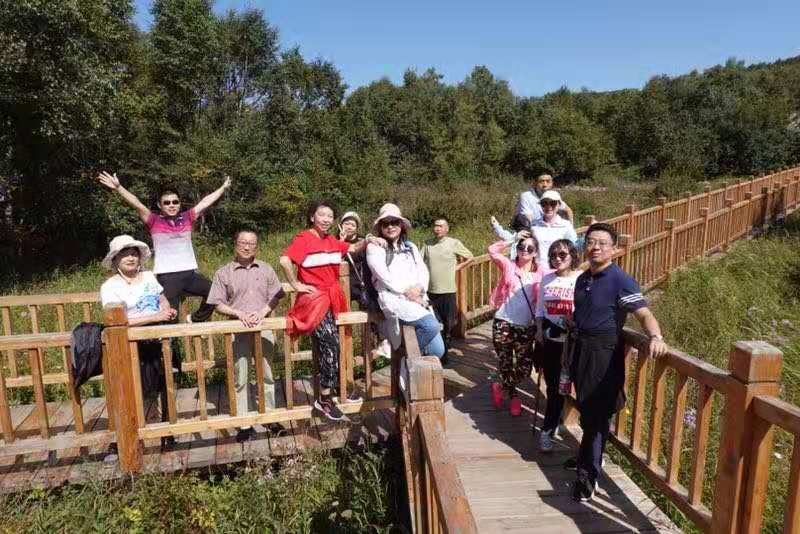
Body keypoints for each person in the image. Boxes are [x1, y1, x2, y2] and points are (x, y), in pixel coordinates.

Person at [569, 223, 667, 502]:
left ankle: (588, 476)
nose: (595, 247)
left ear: (613, 248)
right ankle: (587, 457)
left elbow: (643, 313)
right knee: (586, 408)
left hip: (604, 353)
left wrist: (656, 336)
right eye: (591, 242)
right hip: (581, 349)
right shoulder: (582, 278)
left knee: (597, 413)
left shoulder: (620, 280)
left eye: (602, 243)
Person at [279, 200, 382, 421]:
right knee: (331, 343)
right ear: (312, 217)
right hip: (315, 302)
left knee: (333, 344)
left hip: (332, 298)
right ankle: (324, 398)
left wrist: (369, 239)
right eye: (322, 215)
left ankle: (333, 390)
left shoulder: (331, 241)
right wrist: (296, 285)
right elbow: (285, 260)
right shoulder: (303, 239)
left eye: (330, 216)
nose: (326, 219)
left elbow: (352, 248)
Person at [97, 171, 231, 323]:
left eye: (175, 202)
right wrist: (118, 187)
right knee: (170, 319)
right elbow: (137, 203)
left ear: (179, 204)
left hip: (190, 274)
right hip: (167, 277)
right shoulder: (154, 221)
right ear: (160, 205)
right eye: (167, 203)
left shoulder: (187, 218)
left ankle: (195, 319)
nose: (171, 205)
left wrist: (223, 187)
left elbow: (205, 202)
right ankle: (168, 338)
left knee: (215, 292)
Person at [206, 230, 285, 442]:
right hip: (237, 329)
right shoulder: (223, 273)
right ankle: (244, 423)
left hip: (263, 327)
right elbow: (217, 303)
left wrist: (262, 312)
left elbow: (276, 296)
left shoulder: (266, 269)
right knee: (240, 376)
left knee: (266, 373)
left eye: (251, 243)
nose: (247, 246)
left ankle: (269, 416)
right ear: (235, 244)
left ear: (256, 246)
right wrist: (238, 313)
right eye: (243, 242)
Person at [99, 235, 176, 447]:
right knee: (132, 390)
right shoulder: (110, 286)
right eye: (125, 254)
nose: (131, 258)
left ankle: (166, 433)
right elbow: (117, 321)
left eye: (134, 254)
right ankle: (129, 438)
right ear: (115, 260)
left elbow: (161, 299)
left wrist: (167, 310)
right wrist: (155, 317)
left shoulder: (149, 277)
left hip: (157, 340)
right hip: (129, 344)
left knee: (163, 385)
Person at [367, 204, 445, 360]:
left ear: (401, 225)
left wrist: (420, 288)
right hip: (395, 300)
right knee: (430, 326)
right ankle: (403, 359)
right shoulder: (374, 248)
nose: (390, 227)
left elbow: (423, 270)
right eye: (385, 223)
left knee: (437, 350)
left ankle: (407, 359)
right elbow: (384, 276)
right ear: (380, 227)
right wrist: (407, 292)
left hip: (418, 299)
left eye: (394, 222)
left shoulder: (410, 247)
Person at [487, 234, 545, 416]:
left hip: (526, 325)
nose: (525, 250)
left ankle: (500, 385)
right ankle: (513, 397)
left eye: (530, 248)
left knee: (524, 368)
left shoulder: (541, 271)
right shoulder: (509, 265)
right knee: (505, 362)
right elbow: (492, 250)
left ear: (535, 252)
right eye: (521, 247)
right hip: (503, 320)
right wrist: (513, 238)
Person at [534, 239, 582, 452]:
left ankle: (591, 443)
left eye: (562, 254)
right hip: (551, 341)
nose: (557, 258)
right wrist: (538, 330)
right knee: (554, 389)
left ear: (572, 255)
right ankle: (548, 430)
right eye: (553, 255)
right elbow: (540, 309)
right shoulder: (547, 279)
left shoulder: (581, 279)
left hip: (574, 344)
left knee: (579, 389)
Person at [339, 211, 391, 359]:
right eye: (346, 223)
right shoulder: (334, 241)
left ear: (357, 227)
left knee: (370, 315)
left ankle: (372, 347)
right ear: (340, 225)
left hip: (362, 284)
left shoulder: (364, 241)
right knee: (343, 317)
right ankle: (344, 351)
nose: (349, 227)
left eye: (352, 224)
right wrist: (341, 241)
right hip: (344, 286)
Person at [420, 218, 473, 359]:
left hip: (448, 291)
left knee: (448, 323)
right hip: (431, 291)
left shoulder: (453, 243)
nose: (437, 229)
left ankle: (446, 345)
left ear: (446, 229)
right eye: (435, 226)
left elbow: (470, 257)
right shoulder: (427, 244)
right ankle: (441, 354)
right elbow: (418, 261)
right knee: (436, 323)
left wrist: (457, 267)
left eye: (440, 226)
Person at [530, 190, 578, 270]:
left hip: (559, 269)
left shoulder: (566, 225)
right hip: (538, 270)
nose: (548, 207)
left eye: (553, 203)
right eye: (544, 203)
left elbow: (574, 247)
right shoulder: (533, 225)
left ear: (559, 205)